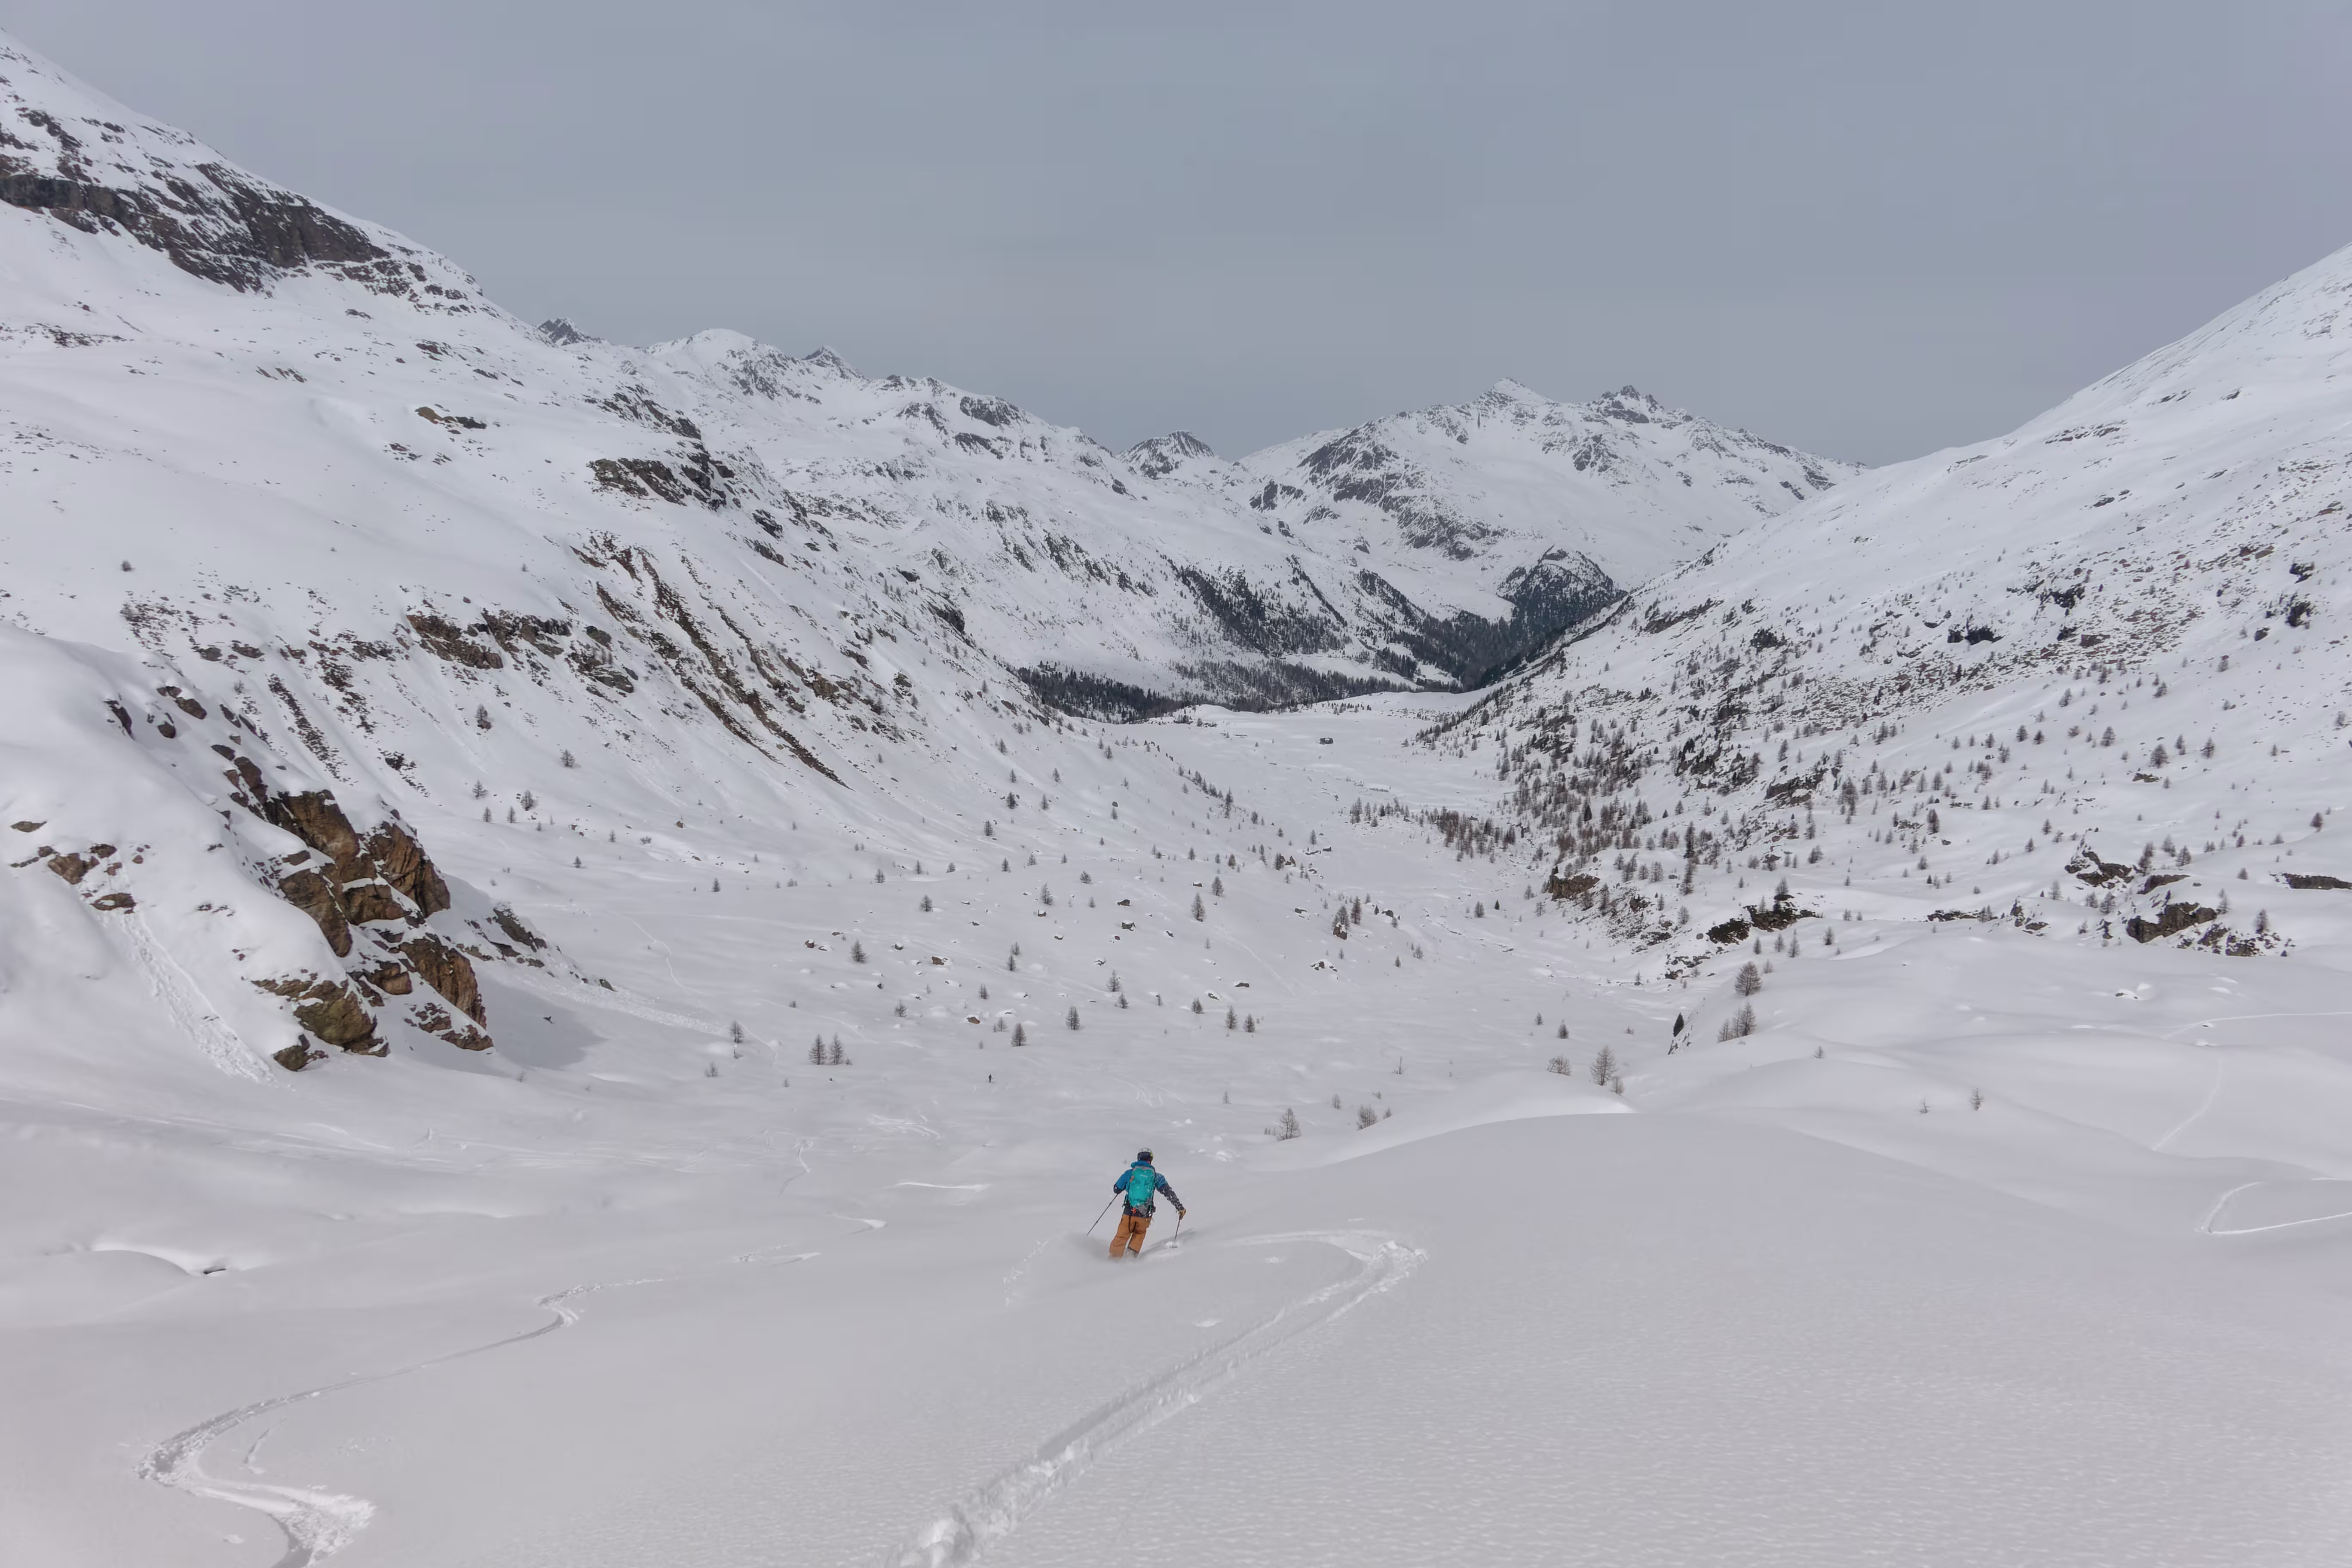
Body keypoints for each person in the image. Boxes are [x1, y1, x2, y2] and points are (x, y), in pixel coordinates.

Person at [1108, 1148, 1183, 1260]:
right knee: (1139, 1234)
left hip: (1129, 1213)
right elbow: (1168, 1192)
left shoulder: (1130, 1173)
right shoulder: (1156, 1177)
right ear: (1151, 1161)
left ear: (1139, 1159)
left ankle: (1113, 1261)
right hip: (1145, 1215)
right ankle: (1130, 1260)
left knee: (1122, 1237)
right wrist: (1179, 1207)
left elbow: (1116, 1189)